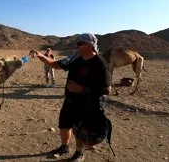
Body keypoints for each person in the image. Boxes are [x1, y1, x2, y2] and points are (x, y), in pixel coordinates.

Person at [30, 33, 112, 162]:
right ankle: (64, 147)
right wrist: (40, 55)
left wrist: (82, 89)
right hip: (70, 100)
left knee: (79, 129)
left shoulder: (100, 64)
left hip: (88, 103)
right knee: (64, 124)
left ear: (90, 46)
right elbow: (55, 64)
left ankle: (79, 153)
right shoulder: (75, 59)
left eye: (80, 44)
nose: (77, 46)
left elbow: (107, 90)